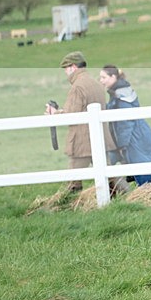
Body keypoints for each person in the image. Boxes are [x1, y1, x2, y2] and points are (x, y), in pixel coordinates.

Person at [45, 51, 129, 196]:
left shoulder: (77, 86)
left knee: (74, 177)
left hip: (82, 140)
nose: (66, 72)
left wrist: (54, 113)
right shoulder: (95, 83)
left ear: (73, 67)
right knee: (108, 171)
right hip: (99, 137)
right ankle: (127, 195)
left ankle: (68, 203)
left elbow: (71, 115)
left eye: (66, 69)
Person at [99, 65, 151, 185]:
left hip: (133, 137)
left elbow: (125, 122)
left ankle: (146, 195)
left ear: (113, 77)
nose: (101, 81)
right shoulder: (119, 92)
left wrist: (122, 145)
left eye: (103, 77)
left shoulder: (121, 94)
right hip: (136, 135)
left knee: (142, 167)